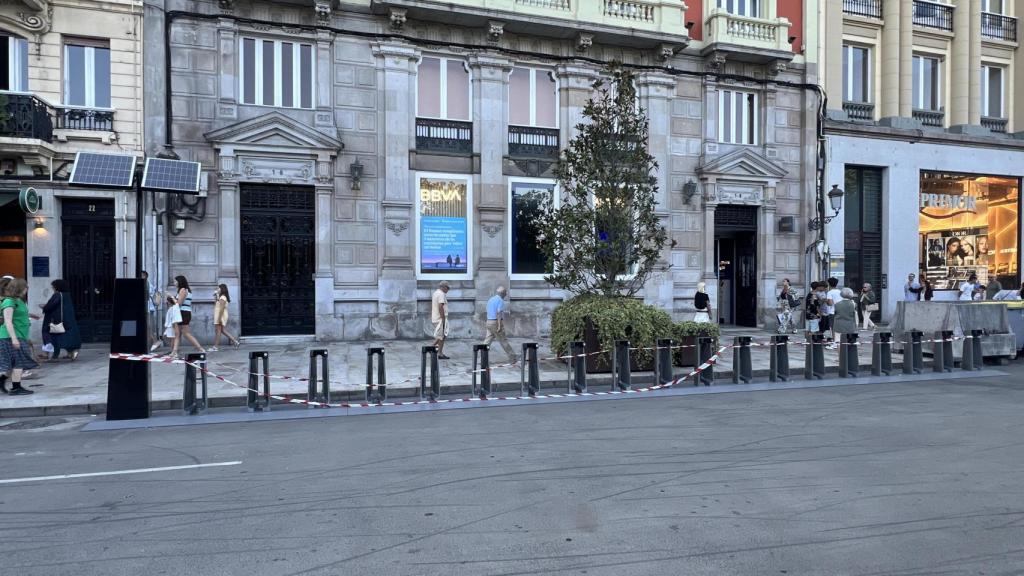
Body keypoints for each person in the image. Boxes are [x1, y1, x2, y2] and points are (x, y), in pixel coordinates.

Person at [0, 278, 37, 395]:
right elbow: (8, 321)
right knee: (18, 362)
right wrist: (14, 339)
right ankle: (16, 387)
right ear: (20, 288)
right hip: (10, 337)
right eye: (26, 287)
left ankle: (5, 382)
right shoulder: (9, 302)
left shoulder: (19, 301)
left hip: (20, 335)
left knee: (15, 363)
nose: (27, 289)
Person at [40, 279, 81, 361]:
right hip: (67, 320)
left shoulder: (57, 295)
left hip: (56, 320)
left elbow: (51, 306)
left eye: (53, 286)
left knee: (55, 338)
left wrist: (44, 307)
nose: (52, 288)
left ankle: (55, 357)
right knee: (64, 337)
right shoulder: (67, 295)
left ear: (57, 287)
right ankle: (71, 353)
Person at [170, 275, 204, 358]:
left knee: (184, 333)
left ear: (180, 282)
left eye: (175, 281)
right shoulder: (185, 290)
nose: (174, 283)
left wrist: (171, 297)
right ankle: (174, 352)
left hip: (182, 312)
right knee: (179, 333)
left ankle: (200, 349)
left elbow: (179, 303)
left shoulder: (182, 290)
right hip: (185, 312)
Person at [483, 286, 517, 364]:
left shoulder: (491, 299)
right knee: (503, 340)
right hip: (495, 322)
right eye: (505, 293)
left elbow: (487, 309)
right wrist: (499, 325)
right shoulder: (500, 301)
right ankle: (513, 357)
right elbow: (499, 313)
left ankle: (483, 356)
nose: (506, 294)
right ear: (502, 293)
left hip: (488, 321)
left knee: (487, 341)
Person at [210, 284, 239, 351]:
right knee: (222, 330)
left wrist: (219, 318)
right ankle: (235, 342)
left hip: (220, 315)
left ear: (222, 289)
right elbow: (216, 305)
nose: (217, 289)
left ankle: (215, 347)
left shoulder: (223, 297)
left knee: (218, 331)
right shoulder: (220, 297)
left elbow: (221, 309)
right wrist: (216, 296)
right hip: (219, 315)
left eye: (218, 288)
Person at [142, 270, 162, 352]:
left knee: (148, 327)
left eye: (142, 275)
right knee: (147, 327)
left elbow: (147, 296)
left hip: (148, 308)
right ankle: (150, 343)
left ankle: (155, 342)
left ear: (145, 276)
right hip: (147, 308)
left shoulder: (147, 285)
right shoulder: (147, 284)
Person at [431, 281, 450, 359]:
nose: (448, 290)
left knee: (442, 335)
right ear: (443, 287)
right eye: (448, 288)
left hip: (436, 317)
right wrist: (443, 319)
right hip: (440, 318)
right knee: (441, 336)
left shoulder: (435, 293)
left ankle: (436, 350)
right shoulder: (441, 294)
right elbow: (440, 307)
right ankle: (438, 352)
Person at [823, 277, 841, 344]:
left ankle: (835, 341)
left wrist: (826, 301)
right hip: (839, 311)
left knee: (833, 327)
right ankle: (838, 340)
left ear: (829, 284)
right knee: (839, 327)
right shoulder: (840, 292)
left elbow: (830, 303)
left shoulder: (830, 292)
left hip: (832, 311)